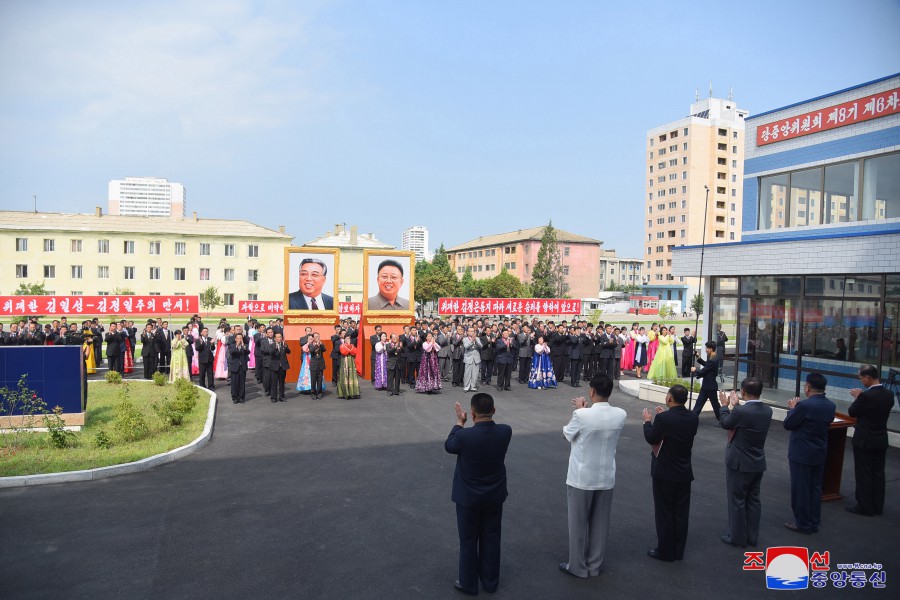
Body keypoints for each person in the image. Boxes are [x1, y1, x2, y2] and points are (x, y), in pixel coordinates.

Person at [559, 373, 626, 578]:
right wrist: (584, 411)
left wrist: (580, 410)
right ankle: (594, 565)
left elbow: (567, 434)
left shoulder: (581, 415)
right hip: (606, 475)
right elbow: (599, 423)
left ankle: (577, 566)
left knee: (578, 524)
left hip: (581, 476)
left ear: (592, 391)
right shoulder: (621, 414)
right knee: (600, 524)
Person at [444, 394, 512, 596]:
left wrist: (458, 422)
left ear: (472, 414)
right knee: (492, 538)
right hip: (494, 496)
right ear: (494, 411)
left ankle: (468, 583)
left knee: (468, 540)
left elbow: (449, 445)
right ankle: (490, 582)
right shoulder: (505, 431)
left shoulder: (464, 437)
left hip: (468, 498)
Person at [643, 384, 700, 562]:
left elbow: (652, 437)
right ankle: (678, 550)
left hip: (664, 471)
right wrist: (663, 417)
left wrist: (647, 422)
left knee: (664, 512)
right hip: (684, 471)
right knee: (681, 513)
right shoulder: (693, 417)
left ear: (669, 398)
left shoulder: (664, 419)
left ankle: (665, 550)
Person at [717, 378, 773, 548]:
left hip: (739, 462)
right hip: (757, 461)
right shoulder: (767, 411)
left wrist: (725, 406)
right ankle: (751, 536)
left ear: (743, 392)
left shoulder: (741, 412)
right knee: (753, 499)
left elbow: (725, 423)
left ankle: (737, 537)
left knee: (737, 500)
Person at [783, 372, 836, 534]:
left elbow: (788, 424)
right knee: (815, 488)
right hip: (819, 451)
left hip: (801, 452)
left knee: (801, 488)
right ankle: (813, 520)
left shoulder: (805, 406)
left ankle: (802, 522)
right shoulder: (830, 405)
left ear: (808, 388)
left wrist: (792, 409)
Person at [847, 364, 893, 516]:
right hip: (880, 438)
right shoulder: (888, 394)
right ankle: (877, 505)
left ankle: (865, 506)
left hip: (865, 439)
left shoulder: (866, 396)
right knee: (878, 473)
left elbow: (852, 412)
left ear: (868, 378)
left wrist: (858, 397)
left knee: (864, 473)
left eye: (861, 378)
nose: (861, 382)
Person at [691, 341, 720, 419]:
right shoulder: (714, 357)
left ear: (711, 349)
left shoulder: (712, 360)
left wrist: (694, 370)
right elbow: (707, 365)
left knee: (714, 404)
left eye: (707, 348)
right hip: (708, 385)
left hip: (709, 386)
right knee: (700, 403)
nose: (706, 350)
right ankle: (693, 417)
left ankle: (722, 418)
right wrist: (698, 357)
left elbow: (703, 371)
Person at [228, 332, 251, 404]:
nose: (240, 339)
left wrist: (243, 346)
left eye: (241, 338)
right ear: (235, 339)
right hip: (234, 367)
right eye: (238, 338)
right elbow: (232, 352)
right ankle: (234, 397)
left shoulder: (245, 345)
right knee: (234, 383)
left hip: (242, 367)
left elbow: (248, 352)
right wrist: (237, 345)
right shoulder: (232, 345)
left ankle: (241, 397)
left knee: (242, 383)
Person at [268, 332, 291, 403]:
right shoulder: (272, 345)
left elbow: (289, 352)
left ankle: (282, 396)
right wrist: (276, 347)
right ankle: (273, 397)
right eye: (277, 337)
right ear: (275, 338)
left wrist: (286, 347)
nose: (279, 338)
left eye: (280, 337)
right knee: (274, 383)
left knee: (282, 382)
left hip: (283, 366)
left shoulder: (284, 345)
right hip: (274, 366)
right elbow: (271, 353)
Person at [337, 332, 360, 399]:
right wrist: (349, 347)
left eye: (349, 338)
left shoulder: (352, 345)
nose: (348, 340)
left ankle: (353, 392)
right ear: (344, 339)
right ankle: (345, 392)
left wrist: (350, 346)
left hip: (351, 363)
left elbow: (354, 352)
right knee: (345, 376)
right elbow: (344, 352)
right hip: (344, 363)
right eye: (347, 338)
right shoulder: (342, 345)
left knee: (352, 375)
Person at [305, 333, 328, 400]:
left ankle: (319, 393)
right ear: (313, 338)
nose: (318, 338)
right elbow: (311, 350)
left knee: (319, 379)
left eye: (318, 336)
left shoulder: (320, 344)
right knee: (313, 379)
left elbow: (324, 350)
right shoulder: (310, 344)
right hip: (314, 364)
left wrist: (321, 344)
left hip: (320, 363)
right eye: (316, 337)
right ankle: (313, 393)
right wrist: (317, 345)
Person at [461, 327, 482, 393]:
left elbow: (481, 346)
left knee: (475, 373)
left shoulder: (477, 338)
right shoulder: (465, 339)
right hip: (468, 358)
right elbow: (466, 346)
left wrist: (475, 340)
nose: (472, 332)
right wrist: (472, 341)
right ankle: (466, 386)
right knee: (467, 373)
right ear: (467, 332)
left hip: (476, 358)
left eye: (473, 331)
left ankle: (473, 386)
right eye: (470, 331)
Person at [296, 327, 313, 394]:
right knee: (305, 372)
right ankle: (304, 387)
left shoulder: (313, 337)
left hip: (312, 357)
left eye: (310, 331)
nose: (309, 332)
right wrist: (309, 341)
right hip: (305, 357)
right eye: (307, 331)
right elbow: (301, 343)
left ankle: (312, 387)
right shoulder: (302, 338)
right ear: (305, 331)